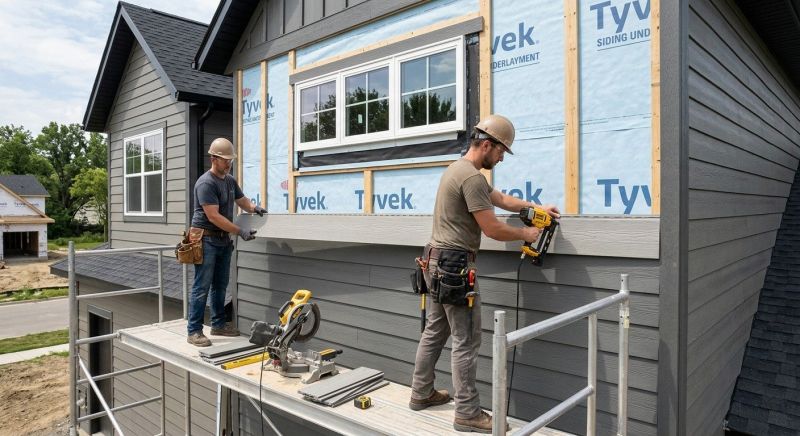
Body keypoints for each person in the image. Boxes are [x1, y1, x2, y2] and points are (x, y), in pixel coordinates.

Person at [408, 115, 560, 433]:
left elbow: (501, 199)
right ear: (487, 144)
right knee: (467, 340)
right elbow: (490, 228)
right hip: (454, 268)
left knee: (435, 331)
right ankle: (467, 412)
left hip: (435, 262)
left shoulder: (459, 169)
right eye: (501, 151)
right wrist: (527, 235)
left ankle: (421, 393)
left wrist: (537, 209)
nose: (502, 157)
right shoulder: (471, 178)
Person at [186, 138, 266, 347]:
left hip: (222, 240)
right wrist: (240, 231)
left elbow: (241, 200)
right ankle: (194, 331)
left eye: (230, 160)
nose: (228, 163)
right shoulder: (206, 183)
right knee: (201, 286)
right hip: (206, 239)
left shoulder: (229, 180)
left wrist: (254, 208)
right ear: (213, 158)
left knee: (220, 285)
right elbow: (214, 217)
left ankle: (218, 324)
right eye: (225, 160)